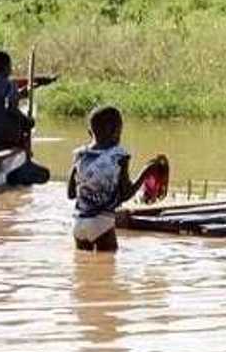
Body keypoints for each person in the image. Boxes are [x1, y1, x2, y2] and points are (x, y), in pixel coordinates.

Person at [67, 106, 164, 252]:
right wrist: (146, 172)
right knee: (109, 268)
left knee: (82, 271)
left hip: (78, 224)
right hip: (102, 223)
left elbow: (71, 194)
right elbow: (126, 194)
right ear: (116, 132)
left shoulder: (79, 155)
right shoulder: (119, 155)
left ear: (90, 132)